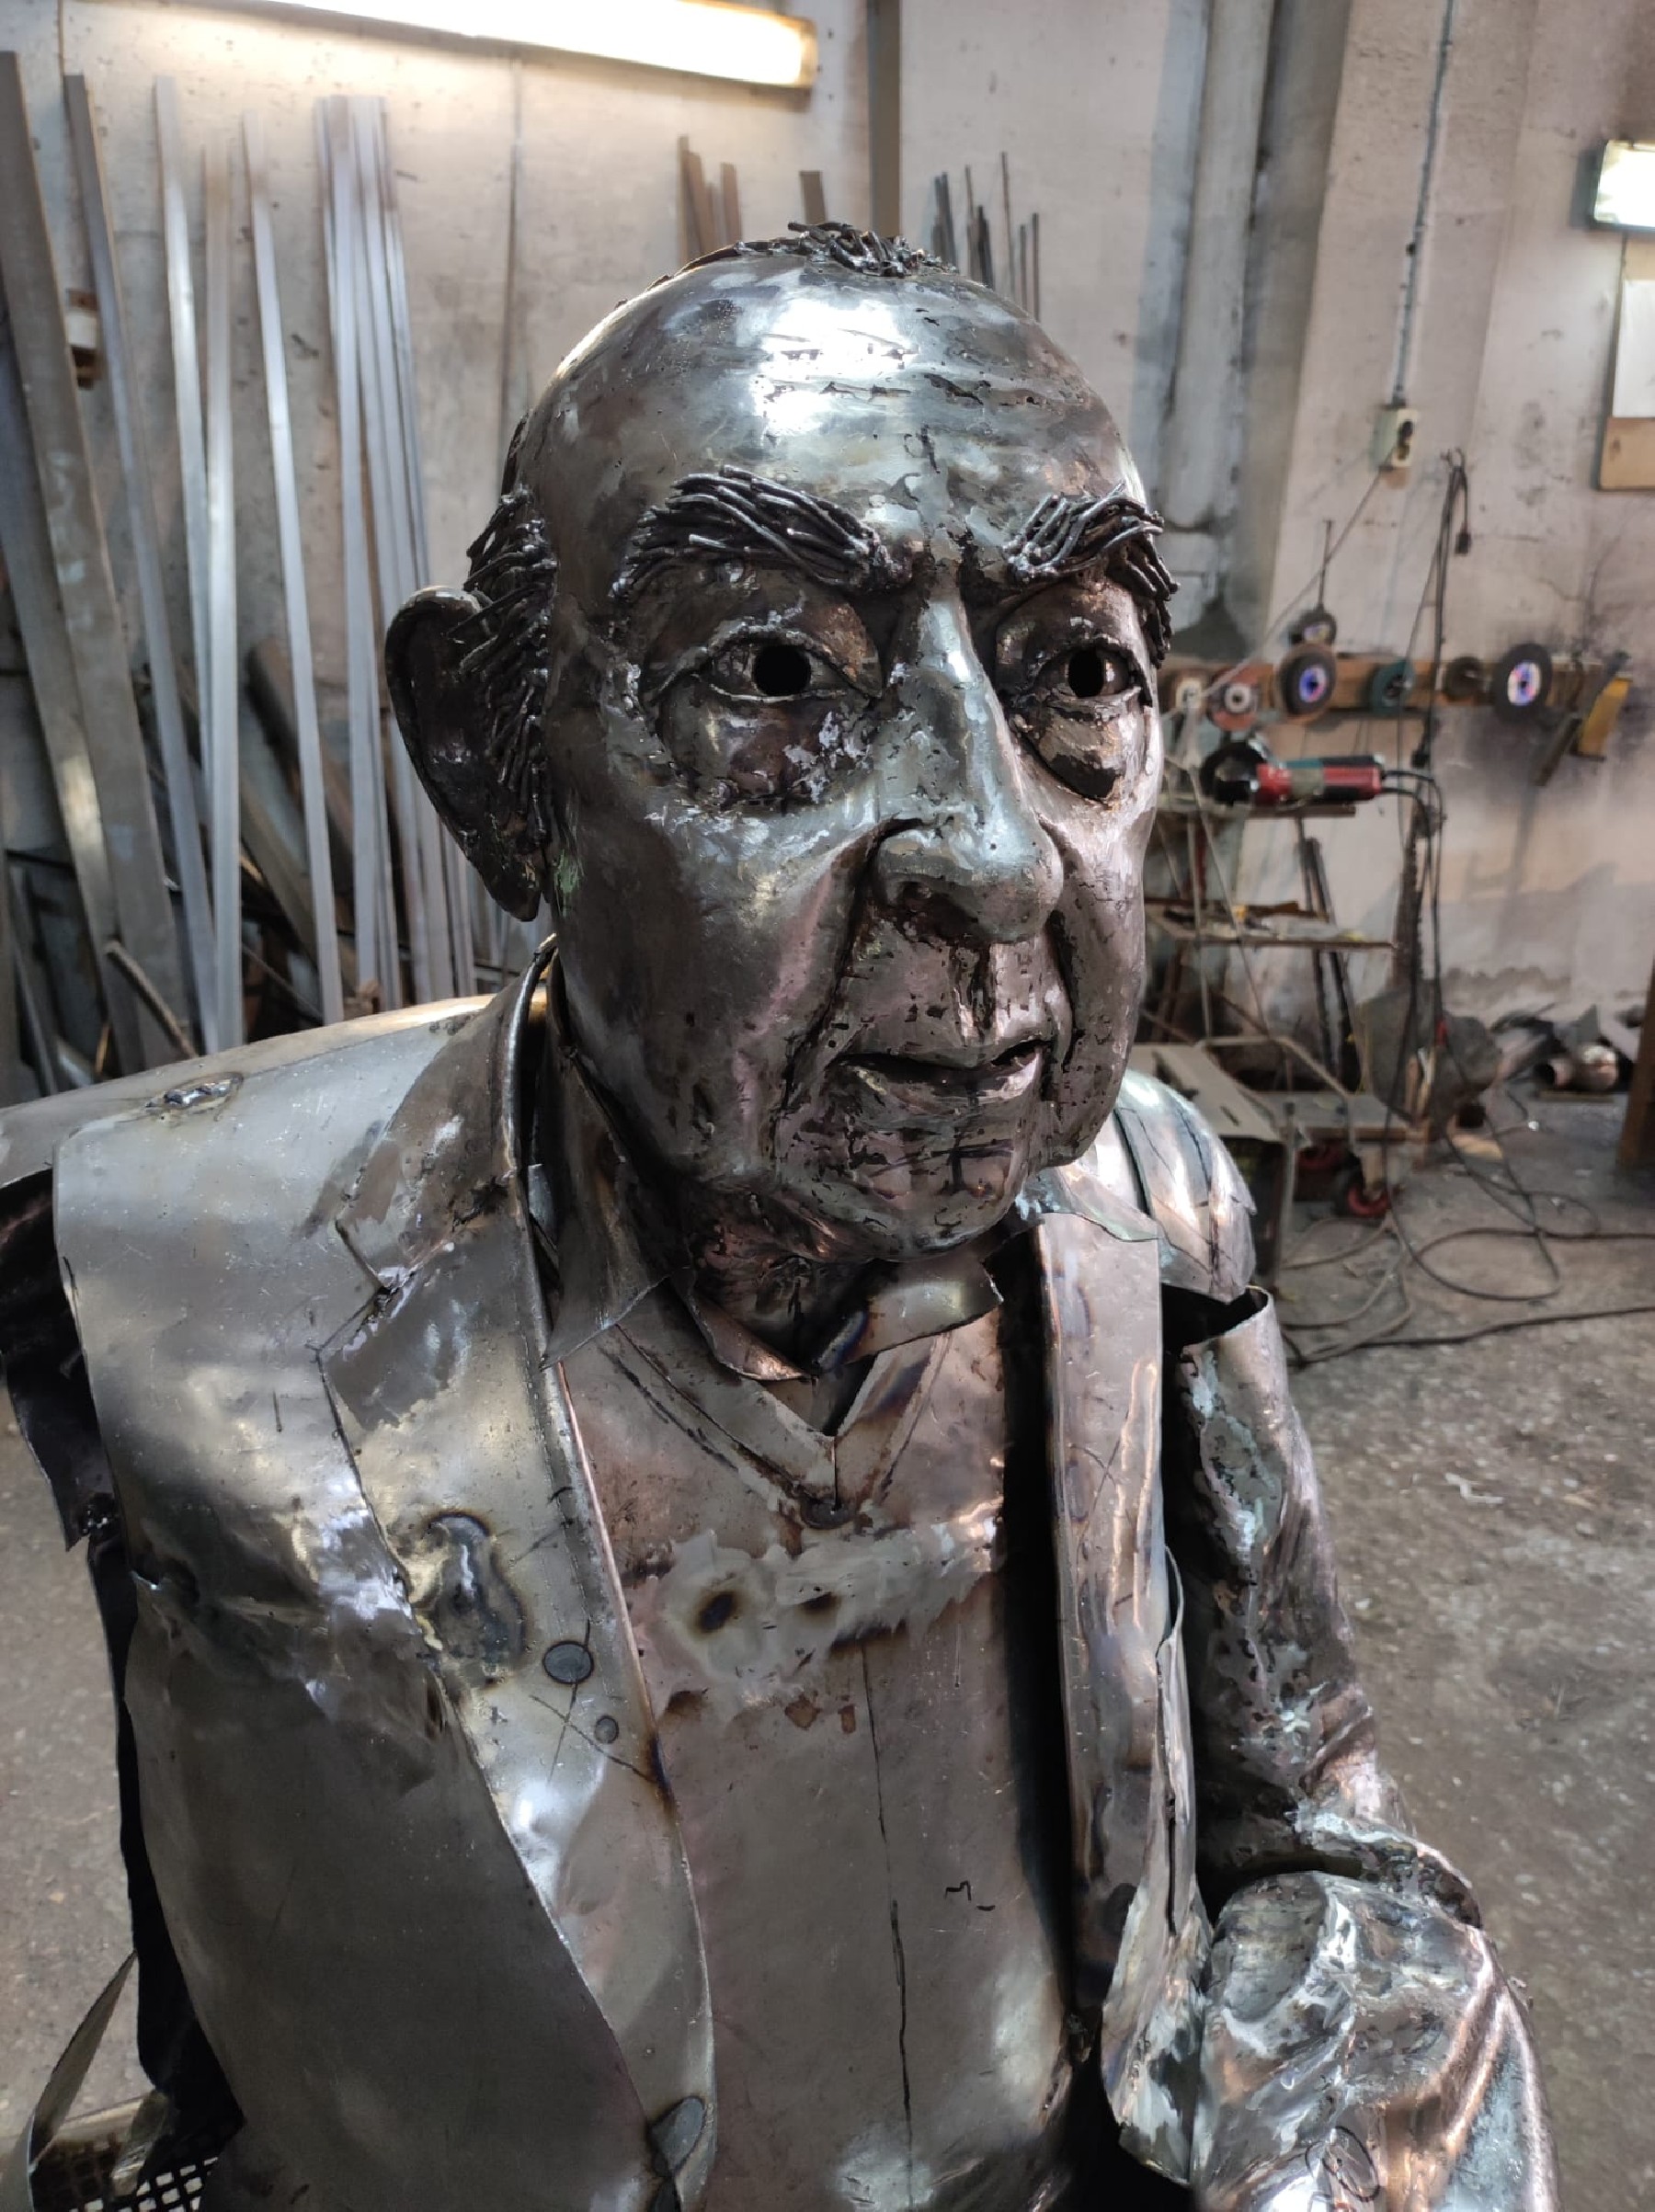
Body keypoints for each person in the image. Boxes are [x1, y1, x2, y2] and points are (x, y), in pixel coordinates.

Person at [0, 226, 1555, 2212]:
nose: (997, 857)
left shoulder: (1150, 1201)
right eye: (775, 677)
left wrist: (1311, 2158)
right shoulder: (157, 1268)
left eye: (1081, 672)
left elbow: (1325, 1844)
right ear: (489, 759)